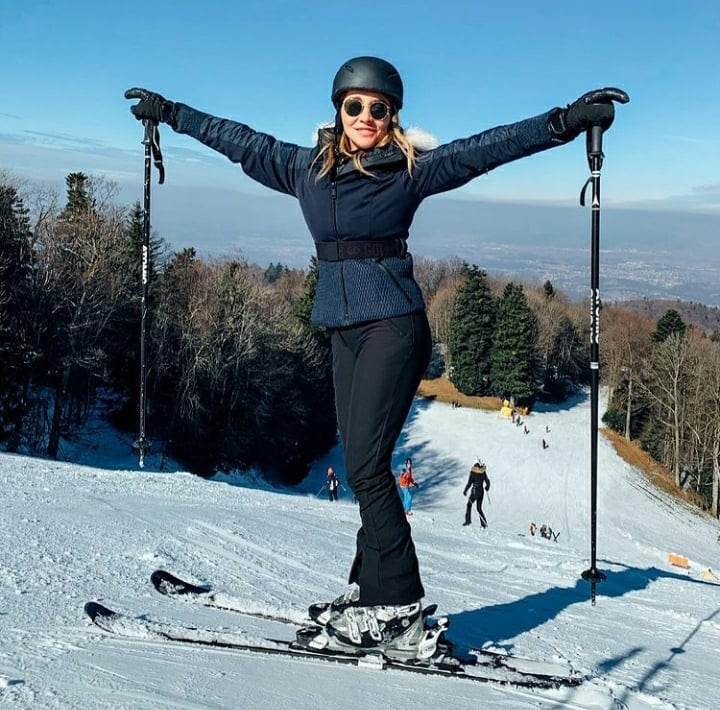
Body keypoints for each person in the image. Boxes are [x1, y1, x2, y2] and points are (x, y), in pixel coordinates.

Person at [127, 56, 616, 657]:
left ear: (392, 117)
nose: (365, 116)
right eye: (354, 105)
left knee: (363, 465)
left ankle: (399, 606)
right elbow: (241, 142)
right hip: (343, 330)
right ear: (338, 110)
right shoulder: (305, 169)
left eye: (377, 108)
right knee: (367, 464)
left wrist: (563, 122)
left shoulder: (408, 172)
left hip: (393, 327)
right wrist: (172, 114)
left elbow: (486, 149)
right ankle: (368, 593)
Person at [463, 462, 490, 527]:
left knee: (469, 504)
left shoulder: (473, 473)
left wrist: (465, 491)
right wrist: (487, 487)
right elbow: (487, 481)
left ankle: (468, 521)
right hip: (481, 491)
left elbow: (469, 483)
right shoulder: (483, 472)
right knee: (479, 508)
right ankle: (484, 524)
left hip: (475, 491)